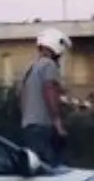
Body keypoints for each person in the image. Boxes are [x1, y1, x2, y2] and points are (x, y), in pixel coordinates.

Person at [19, 27, 72, 166]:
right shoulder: (49, 65)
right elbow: (49, 91)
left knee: (36, 169)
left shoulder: (32, 68)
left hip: (29, 126)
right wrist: (58, 123)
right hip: (43, 126)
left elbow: (23, 96)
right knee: (53, 169)